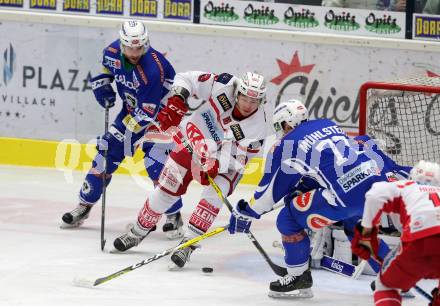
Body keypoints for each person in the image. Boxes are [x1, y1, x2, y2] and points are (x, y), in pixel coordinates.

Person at [228, 100, 412, 299]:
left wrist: (246, 212)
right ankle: (395, 279)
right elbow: (331, 163)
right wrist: (301, 189)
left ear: (285, 123)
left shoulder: (288, 144)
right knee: (356, 226)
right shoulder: (327, 124)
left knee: (287, 219)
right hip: (375, 189)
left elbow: (269, 193)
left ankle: (298, 278)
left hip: (345, 196)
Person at [112, 71, 273, 269]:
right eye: (245, 98)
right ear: (237, 92)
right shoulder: (223, 85)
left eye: (254, 101)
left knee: (213, 196)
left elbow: (239, 161)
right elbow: (185, 78)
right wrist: (178, 99)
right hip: (192, 140)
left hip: (226, 162)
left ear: (262, 101)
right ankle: (137, 232)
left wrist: (215, 164)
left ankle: (187, 245)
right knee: (166, 188)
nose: (248, 105)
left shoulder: (258, 127)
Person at [61, 20, 184, 239]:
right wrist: (102, 85)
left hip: (161, 118)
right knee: (104, 157)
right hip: (132, 111)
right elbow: (107, 70)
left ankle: (173, 215)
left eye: (139, 48)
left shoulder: (152, 70)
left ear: (145, 44)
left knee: (157, 165)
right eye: (130, 47)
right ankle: (84, 204)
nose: (134, 52)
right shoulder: (111, 52)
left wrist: (119, 135)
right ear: (121, 43)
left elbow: (147, 114)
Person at [351, 160, 440, 306]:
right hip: (422, 240)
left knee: (385, 286)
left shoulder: (407, 186)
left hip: (420, 241)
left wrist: (366, 234)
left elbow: (374, 195)